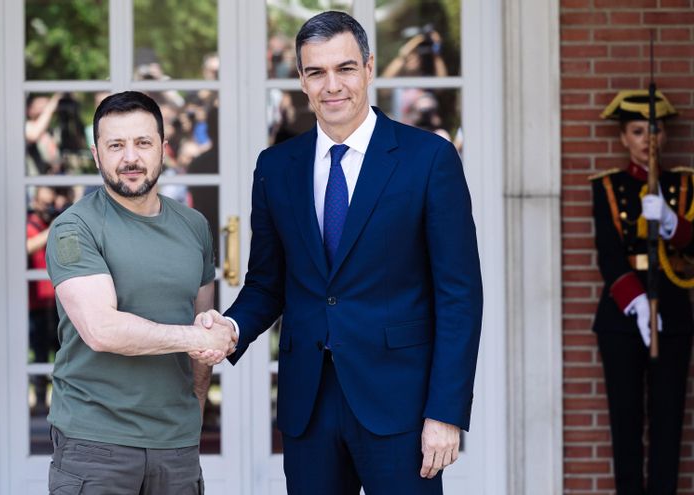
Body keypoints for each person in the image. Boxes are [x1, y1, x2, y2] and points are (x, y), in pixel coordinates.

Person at [202, 11, 482, 494]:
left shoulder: (428, 160)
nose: (332, 85)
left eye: (345, 68)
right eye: (316, 72)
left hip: (401, 406)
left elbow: (459, 295)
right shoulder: (276, 167)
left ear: (369, 68)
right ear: (302, 81)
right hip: (307, 405)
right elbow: (268, 283)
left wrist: (446, 411)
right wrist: (231, 327)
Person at [44, 91, 236, 494]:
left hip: (176, 448)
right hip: (95, 448)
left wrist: (193, 413)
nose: (130, 158)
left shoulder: (194, 226)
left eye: (142, 143)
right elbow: (102, 330)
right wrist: (199, 337)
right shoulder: (73, 228)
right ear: (97, 155)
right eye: (116, 145)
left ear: (163, 149)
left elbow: (202, 327)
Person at [590, 90, 692, 495]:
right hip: (623, 315)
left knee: (669, 422)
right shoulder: (608, 187)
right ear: (623, 139)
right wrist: (637, 305)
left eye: (655, 129)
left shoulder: (683, 185)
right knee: (626, 422)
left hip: (673, 310)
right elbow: (608, 255)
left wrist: (671, 223)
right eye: (637, 130)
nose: (648, 138)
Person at [27, 186, 60, 414]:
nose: (47, 208)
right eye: (43, 202)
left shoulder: (55, 225)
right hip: (36, 303)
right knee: (39, 353)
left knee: (60, 352)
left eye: (51, 203)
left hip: (57, 303)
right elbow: (25, 248)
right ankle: (40, 402)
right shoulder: (29, 226)